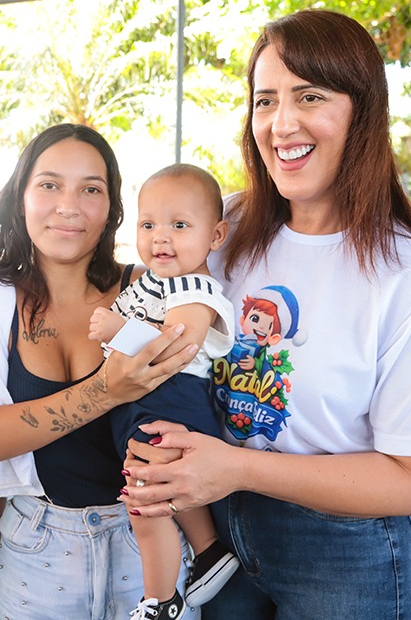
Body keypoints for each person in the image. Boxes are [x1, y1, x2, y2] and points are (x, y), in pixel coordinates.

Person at [120, 9, 411, 619]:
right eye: (265, 101)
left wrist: (234, 466)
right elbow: (140, 308)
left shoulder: (410, 277)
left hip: (341, 553)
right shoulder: (220, 230)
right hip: (221, 534)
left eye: (309, 96)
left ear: (361, 111)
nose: (282, 124)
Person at [0, 123, 201, 620]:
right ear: (21, 196)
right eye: (49, 185)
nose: (69, 205)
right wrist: (106, 390)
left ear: (112, 210)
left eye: (91, 189)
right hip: (40, 548)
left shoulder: (155, 290)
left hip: (151, 548)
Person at [88, 163, 239, 618]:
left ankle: (160, 601)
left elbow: (179, 342)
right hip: (142, 400)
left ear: (215, 236)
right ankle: (208, 550)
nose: (161, 237)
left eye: (179, 225)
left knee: (145, 501)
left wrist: (119, 328)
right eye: (148, 224)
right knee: (166, 488)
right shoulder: (150, 281)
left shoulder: (197, 287)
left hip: (172, 398)